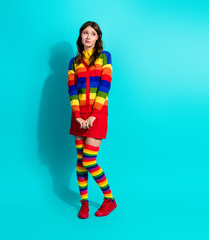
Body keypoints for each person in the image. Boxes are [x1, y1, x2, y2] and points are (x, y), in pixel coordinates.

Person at [67, 21, 117, 219]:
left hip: (97, 114)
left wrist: (93, 116)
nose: (88, 36)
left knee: (89, 159)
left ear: (98, 38)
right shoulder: (73, 62)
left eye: (92, 33)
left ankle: (109, 199)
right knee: (80, 161)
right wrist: (78, 116)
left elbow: (105, 86)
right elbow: (72, 90)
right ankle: (84, 203)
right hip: (78, 116)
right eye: (85, 33)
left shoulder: (105, 57)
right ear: (80, 37)